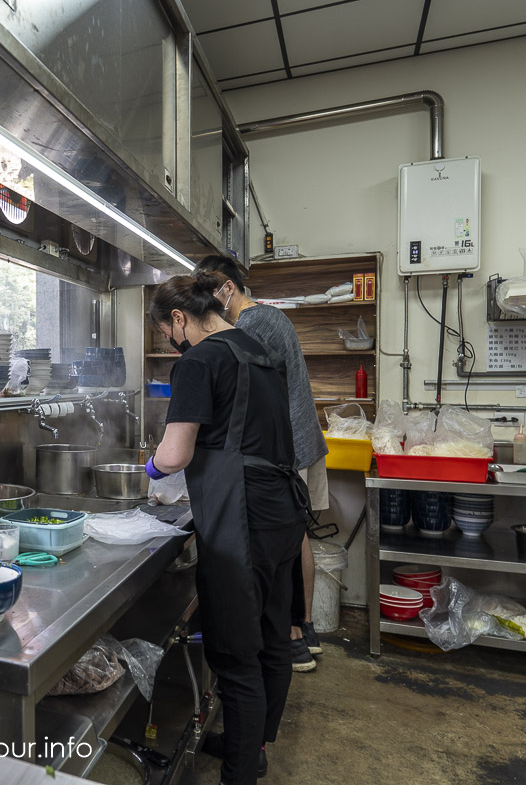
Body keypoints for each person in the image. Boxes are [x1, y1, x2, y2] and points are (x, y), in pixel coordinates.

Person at [145, 272, 310, 785]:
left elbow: (175, 454)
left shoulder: (198, 361)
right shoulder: (257, 351)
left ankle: (240, 774)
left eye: (167, 334)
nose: (171, 345)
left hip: (242, 520)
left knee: (236, 654)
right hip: (283, 512)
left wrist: (147, 471)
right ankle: (253, 746)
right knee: (272, 640)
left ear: (179, 319)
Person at [197, 253, 330, 672]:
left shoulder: (253, 326)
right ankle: (302, 629)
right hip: (297, 442)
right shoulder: (268, 319)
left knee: (291, 540)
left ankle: (293, 634)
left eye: (210, 293)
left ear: (227, 289)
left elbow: (250, 395)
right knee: (298, 536)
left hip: (287, 449)